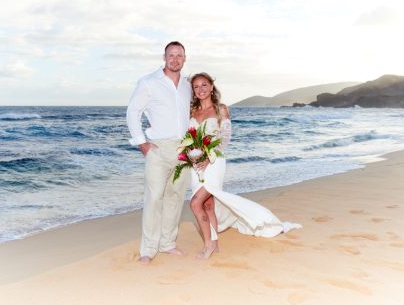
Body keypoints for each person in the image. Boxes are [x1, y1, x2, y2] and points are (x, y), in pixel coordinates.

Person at [188, 72, 302, 259]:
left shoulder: (221, 109)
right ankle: (214, 244)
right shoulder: (193, 112)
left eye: (204, 85)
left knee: (195, 203)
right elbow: (191, 139)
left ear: (211, 87)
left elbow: (225, 139)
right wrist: (193, 156)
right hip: (196, 164)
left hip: (215, 161)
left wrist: (209, 157)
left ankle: (208, 244)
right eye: (196, 86)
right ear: (193, 90)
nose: (200, 89)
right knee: (208, 205)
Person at [126, 41, 192, 264]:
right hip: (158, 148)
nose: (175, 59)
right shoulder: (148, 82)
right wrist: (141, 143)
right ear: (164, 58)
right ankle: (148, 249)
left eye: (179, 55)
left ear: (185, 58)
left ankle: (167, 243)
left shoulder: (186, 85)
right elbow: (133, 112)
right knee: (154, 198)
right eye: (171, 55)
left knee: (175, 197)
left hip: (183, 149)